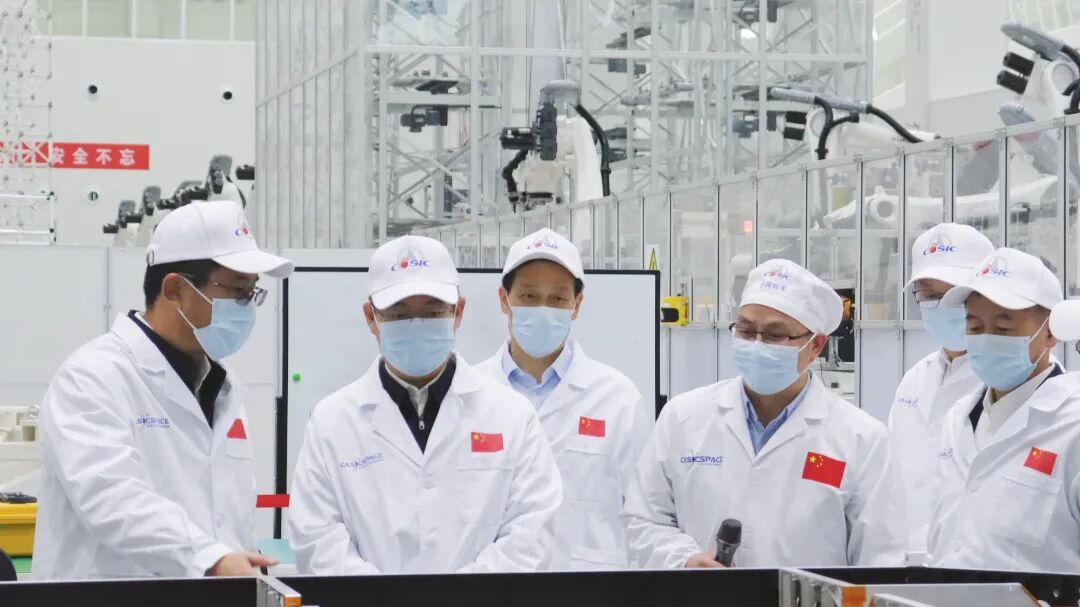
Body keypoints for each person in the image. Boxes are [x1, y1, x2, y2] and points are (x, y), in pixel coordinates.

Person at [34, 201, 293, 579]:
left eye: (252, 292)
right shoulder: (92, 377)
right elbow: (111, 499)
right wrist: (212, 558)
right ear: (174, 289)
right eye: (237, 290)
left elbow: (226, 515)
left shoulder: (224, 387)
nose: (246, 307)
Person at [288, 235, 563, 575]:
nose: (416, 325)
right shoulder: (332, 423)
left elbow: (531, 534)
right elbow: (317, 540)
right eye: (399, 314)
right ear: (371, 317)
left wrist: (453, 597)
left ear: (458, 312)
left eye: (433, 312)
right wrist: (385, 598)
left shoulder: (512, 417)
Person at [624, 258, 905, 568]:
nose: (757, 345)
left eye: (774, 335)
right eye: (745, 330)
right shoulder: (683, 417)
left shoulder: (861, 439)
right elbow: (643, 520)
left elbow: (880, 558)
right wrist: (684, 559)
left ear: (815, 346)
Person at [474, 228, 647, 570]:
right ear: (504, 300)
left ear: (576, 304)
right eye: (528, 296)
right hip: (493, 585)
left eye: (557, 299)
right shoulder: (470, 394)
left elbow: (644, 516)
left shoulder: (618, 399)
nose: (542, 308)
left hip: (589, 586)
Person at [929, 248, 1080, 571]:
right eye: (975, 327)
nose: (986, 340)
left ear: (1050, 332)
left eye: (1003, 329)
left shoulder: (1072, 425)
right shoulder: (958, 418)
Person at [886, 223, 994, 558]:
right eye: (930, 296)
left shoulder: (1005, 381)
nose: (943, 306)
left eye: (955, 294)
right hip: (905, 563)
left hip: (972, 568)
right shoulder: (915, 379)